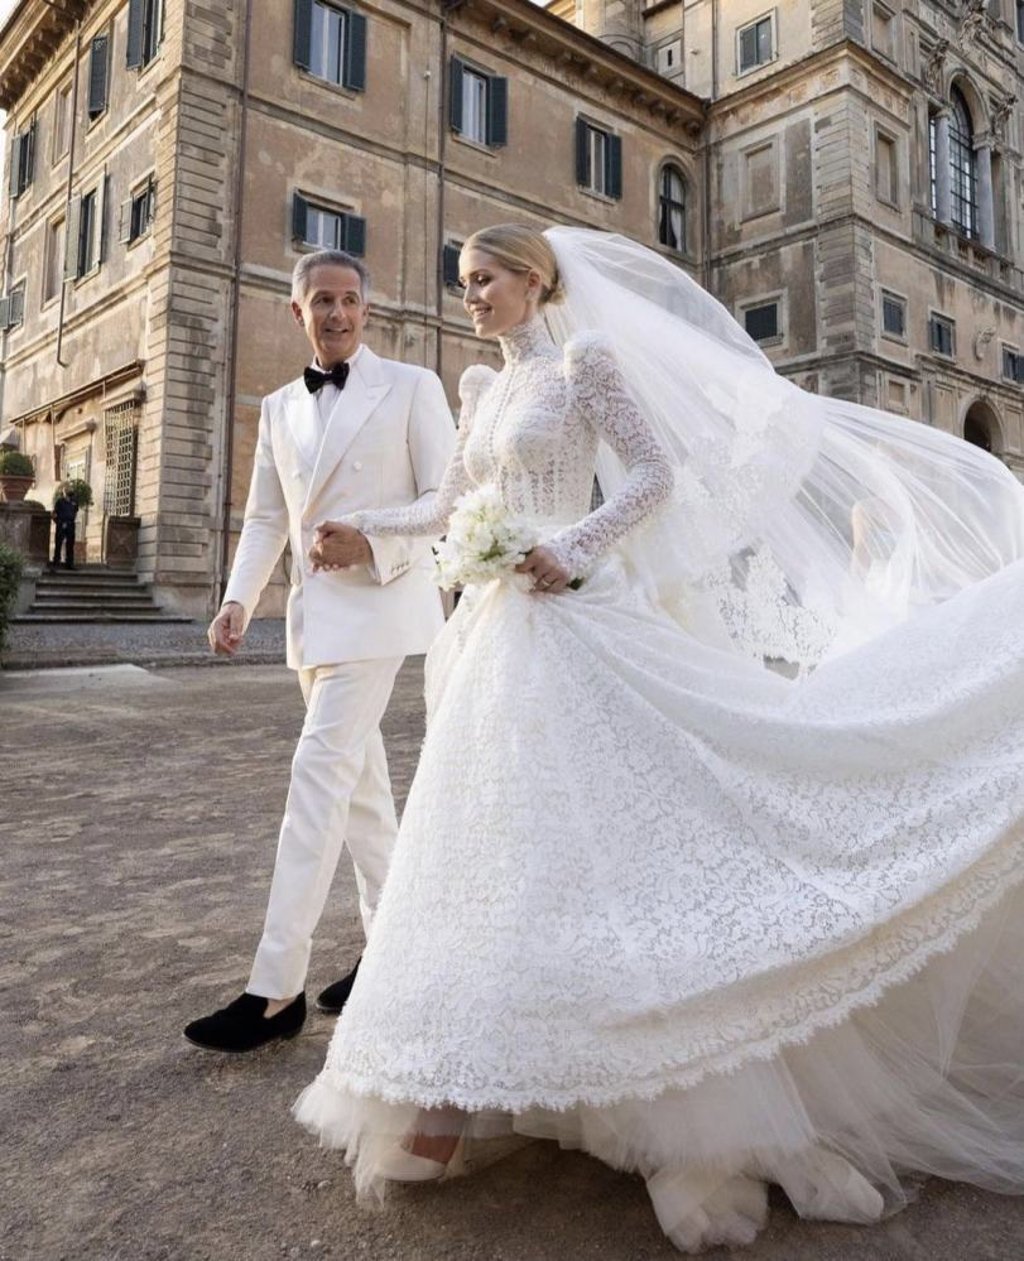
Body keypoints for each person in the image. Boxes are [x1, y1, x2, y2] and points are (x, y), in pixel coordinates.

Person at [293, 225, 1024, 1252]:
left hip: (577, 624)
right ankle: (454, 1090)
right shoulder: (481, 390)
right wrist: (369, 530)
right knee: (492, 856)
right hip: (496, 646)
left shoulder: (583, 363)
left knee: (619, 854)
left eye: (485, 279)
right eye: (462, 284)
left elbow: (647, 478)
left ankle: (683, 1114)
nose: (470, 297)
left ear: (533, 279)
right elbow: (454, 503)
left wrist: (570, 547)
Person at [184, 249, 456, 1054]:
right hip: (312, 625)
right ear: (295, 311)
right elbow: (266, 516)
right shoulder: (276, 408)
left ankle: (276, 989)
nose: (336, 314)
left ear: (367, 309)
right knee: (366, 800)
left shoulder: (412, 388)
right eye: (320, 302)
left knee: (317, 781)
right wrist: (239, 598)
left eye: (348, 300)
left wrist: (369, 545)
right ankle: (395, 950)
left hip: (382, 610)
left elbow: (447, 503)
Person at [51, 483, 78, 570]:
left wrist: (71, 520)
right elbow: (54, 514)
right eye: (66, 490)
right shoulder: (59, 502)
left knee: (70, 544)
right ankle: (56, 561)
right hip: (62, 523)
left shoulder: (74, 502)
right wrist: (59, 522)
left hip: (70, 524)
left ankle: (69, 563)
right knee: (58, 542)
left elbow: (75, 512)